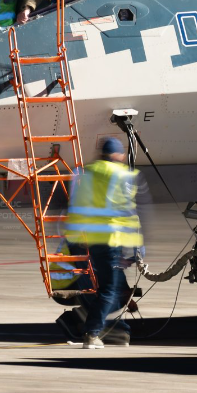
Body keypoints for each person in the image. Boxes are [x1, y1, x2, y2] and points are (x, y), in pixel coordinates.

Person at [64, 137, 145, 349]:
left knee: (110, 286)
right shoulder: (122, 175)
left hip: (89, 239)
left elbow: (77, 204)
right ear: (118, 155)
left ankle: (111, 330)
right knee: (110, 289)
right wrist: (137, 247)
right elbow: (129, 212)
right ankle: (91, 333)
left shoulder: (86, 172)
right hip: (112, 239)